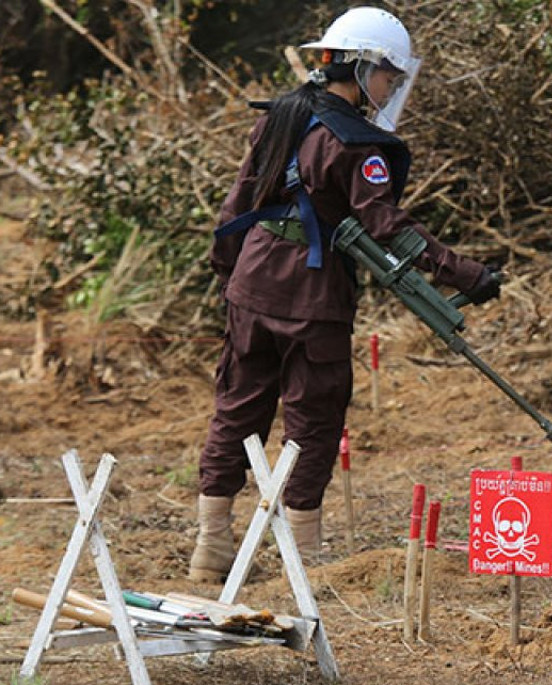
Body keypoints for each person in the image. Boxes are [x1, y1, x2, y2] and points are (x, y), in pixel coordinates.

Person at [189, 6, 500, 582]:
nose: (391, 87)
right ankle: (301, 558)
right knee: (314, 418)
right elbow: (389, 228)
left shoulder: (279, 115)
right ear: (362, 67)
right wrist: (465, 274)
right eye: (389, 76)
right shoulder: (358, 145)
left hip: (252, 280)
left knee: (237, 408)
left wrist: (231, 275)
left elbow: (240, 200)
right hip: (314, 295)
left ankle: (211, 546)